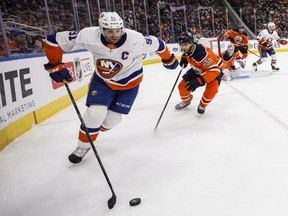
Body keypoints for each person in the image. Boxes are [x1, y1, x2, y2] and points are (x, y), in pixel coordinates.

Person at [43, 12, 179, 163]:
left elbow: (158, 43)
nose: (114, 35)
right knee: (95, 114)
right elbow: (53, 40)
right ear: (101, 29)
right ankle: (83, 146)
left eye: (117, 30)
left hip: (130, 84)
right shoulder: (88, 36)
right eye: (109, 31)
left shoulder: (136, 39)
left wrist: (168, 59)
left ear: (122, 28)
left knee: (112, 120)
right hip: (103, 81)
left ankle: (93, 131)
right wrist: (54, 64)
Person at [175, 33, 223, 114]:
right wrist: (184, 58)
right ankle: (186, 101)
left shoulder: (201, 55)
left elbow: (215, 70)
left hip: (213, 70)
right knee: (182, 86)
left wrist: (199, 81)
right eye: (182, 45)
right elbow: (188, 53)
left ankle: (202, 105)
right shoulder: (191, 48)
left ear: (191, 43)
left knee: (212, 90)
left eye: (185, 45)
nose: (183, 47)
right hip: (198, 68)